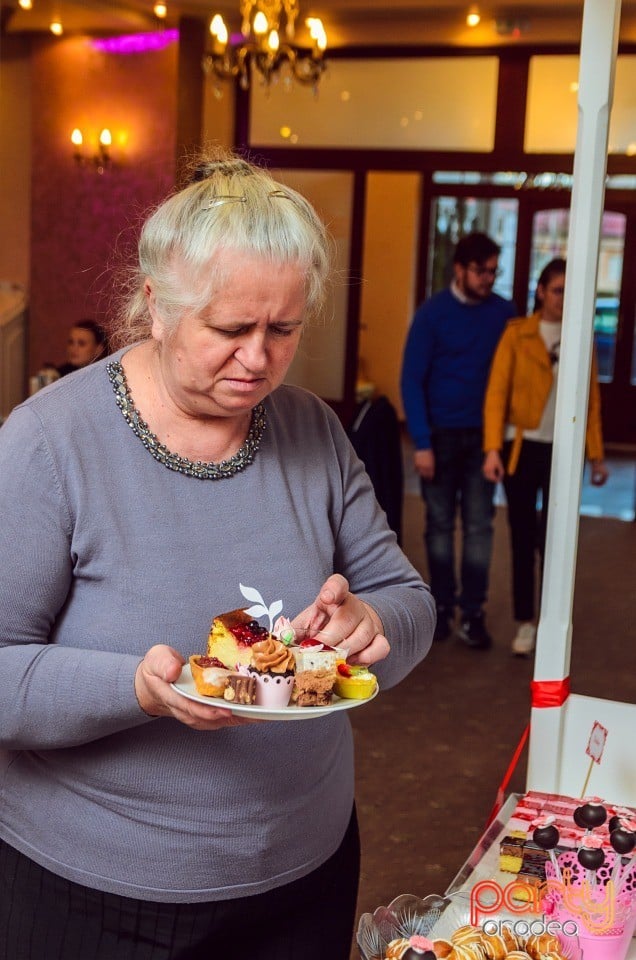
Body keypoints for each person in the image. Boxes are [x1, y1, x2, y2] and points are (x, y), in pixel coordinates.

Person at [0, 153, 435, 960]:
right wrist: (135, 687)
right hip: (95, 896)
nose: (259, 359)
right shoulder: (47, 444)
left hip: (306, 875)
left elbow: (406, 601)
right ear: (157, 307)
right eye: (231, 329)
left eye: (284, 328)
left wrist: (372, 619)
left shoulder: (314, 432)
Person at [482, 257, 608, 657]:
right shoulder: (518, 334)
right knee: (522, 535)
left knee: (555, 539)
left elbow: (591, 400)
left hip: (563, 451)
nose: (563, 299)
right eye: (557, 290)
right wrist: (491, 449)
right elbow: (496, 394)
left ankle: (553, 619)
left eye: (570, 292)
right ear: (541, 291)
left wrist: (597, 455)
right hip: (521, 449)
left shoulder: (579, 337)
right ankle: (525, 622)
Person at [400, 232, 516, 650]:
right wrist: (422, 443)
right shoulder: (433, 314)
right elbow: (412, 380)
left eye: (493, 270)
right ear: (460, 270)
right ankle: (443, 608)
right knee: (440, 526)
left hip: (486, 438)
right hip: (441, 436)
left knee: (481, 527)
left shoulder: (505, 314)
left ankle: (473, 612)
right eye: (481, 270)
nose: (488, 278)